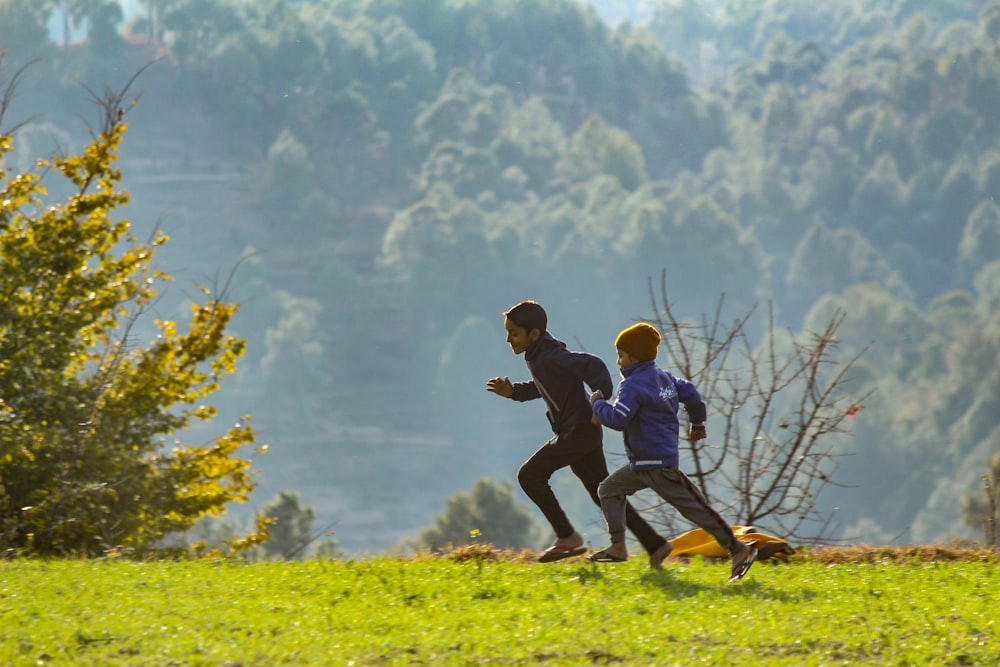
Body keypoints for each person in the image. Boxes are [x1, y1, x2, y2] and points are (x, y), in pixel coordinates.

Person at [486, 300, 674, 567]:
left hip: (579, 431)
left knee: (530, 475)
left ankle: (567, 536)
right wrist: (514, 392)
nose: (508, 339)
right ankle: (654, 544)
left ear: (534, 334)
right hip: (582, 431)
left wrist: (601, 398)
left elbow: (593, 365)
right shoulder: (540, 356)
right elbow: (544, 386)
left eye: (514, 333)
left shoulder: (549, 355)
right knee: (603, 492)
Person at [587, 322, 758, 582]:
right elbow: (691, 393)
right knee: (608, 489)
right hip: (643, 464)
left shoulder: (632, 386)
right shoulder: (665, 378)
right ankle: (618, 546)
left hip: (657, 465)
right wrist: (697, 423)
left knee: (697, 509)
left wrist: (597, 405)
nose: (618, 361)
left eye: (621, 355)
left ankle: (738, 549)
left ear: (634, 358)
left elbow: (618, 418)